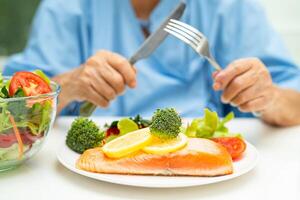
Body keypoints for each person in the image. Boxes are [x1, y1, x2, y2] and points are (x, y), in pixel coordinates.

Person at [3, 0, 300, 126]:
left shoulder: (229, 6)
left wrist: (267, 97)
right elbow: (12, 107)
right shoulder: (67, 7)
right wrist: (67, 85)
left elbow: (294, 102)